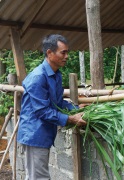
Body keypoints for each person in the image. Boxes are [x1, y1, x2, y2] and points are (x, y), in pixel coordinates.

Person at [17, 34, 86, 180]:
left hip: (44, 133)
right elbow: (43, 111)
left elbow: (57, 103)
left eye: (67, 52)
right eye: (63, 52)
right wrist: (70, 119)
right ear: (49, 53)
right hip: (35, 134)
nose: (67, 56)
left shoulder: (56, 75)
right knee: (39, 177)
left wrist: (76, 108)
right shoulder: (38, 77)